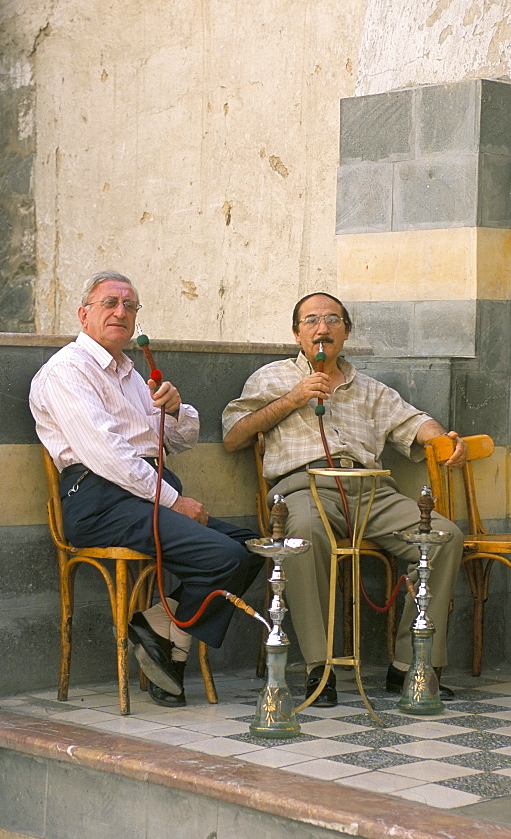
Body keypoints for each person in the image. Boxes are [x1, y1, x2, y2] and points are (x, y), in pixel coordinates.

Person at [30, 271, 262, 709]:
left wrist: (175, 410)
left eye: (130, 306)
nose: (122, 312)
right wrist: (175, 501)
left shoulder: (132, 375)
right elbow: (107, 454)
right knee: (224, 557)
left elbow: (177, 441)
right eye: (110, 303)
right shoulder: (66, 371)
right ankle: (164, 639)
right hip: (100, 500)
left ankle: (161, 631)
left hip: (142, 493)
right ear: (84, 314)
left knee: (252, 548)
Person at [222, 291, 466, 706]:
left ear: (346, 332)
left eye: (333, 320)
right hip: (304, 485)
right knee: (305, 533)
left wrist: (444, 439)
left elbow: (417, 423)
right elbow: (234, 436)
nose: (323, 329)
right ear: (297, 332)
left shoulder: (369, 388)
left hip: (370, 489)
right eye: (312, 320)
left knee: (443, 536)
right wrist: (294, 398)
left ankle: (411, 665)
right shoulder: (271, 377)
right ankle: (321, 668)